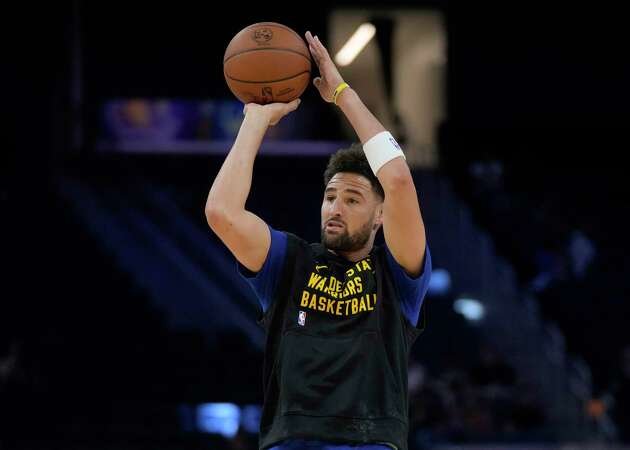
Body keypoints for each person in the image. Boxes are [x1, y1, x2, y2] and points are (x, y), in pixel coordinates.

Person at [205, 30, 432, 450]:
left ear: (381, 214)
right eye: (330, 197)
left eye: (352, 199)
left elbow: (397, 179)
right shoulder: (287, 262)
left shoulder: (397, 276)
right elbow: (222, 213)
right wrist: (254, 121)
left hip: (369, 440)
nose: (335, 208)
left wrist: (342, 93)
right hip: (290, 440)